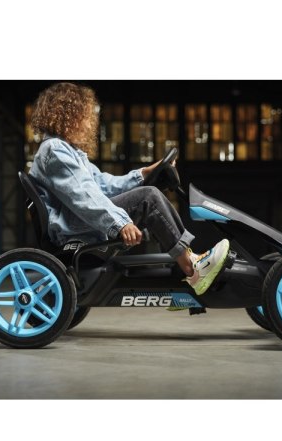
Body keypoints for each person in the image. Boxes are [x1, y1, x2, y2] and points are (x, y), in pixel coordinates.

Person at [29, 82, 230, 296]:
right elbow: (85, 195)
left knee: (148, 195)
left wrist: (143, 174)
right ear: (68, 116)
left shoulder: (68, 151)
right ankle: (191, 268)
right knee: (148, 198)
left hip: (78, 224)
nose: (89, 124)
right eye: (86, 117)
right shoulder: (55, 150)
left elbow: (103, 185)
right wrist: (119, 223)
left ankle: (185, 261)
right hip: (72, 232)